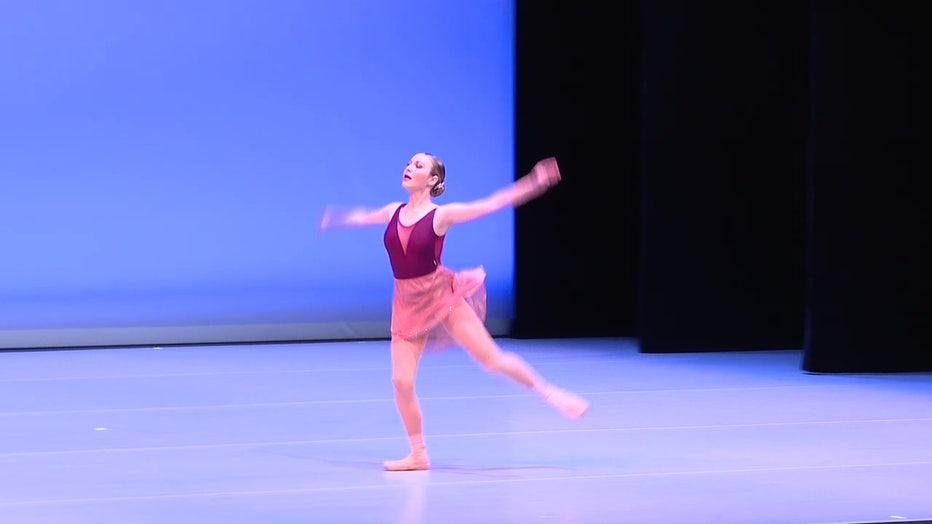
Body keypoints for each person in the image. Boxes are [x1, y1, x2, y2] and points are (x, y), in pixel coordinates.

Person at [320, 153, 590, 471]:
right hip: (407, 304)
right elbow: (363, 216)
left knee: (492, 360)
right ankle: (418, 453)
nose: (409, 167)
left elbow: (493, 202)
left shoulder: (441, 216)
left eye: (418, 166)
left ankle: (551, 393)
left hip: (442, 296)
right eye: (409, 163)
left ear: (433, 180)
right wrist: (335, 218)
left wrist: (533, 182)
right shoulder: (393, 211)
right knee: (401, 381)